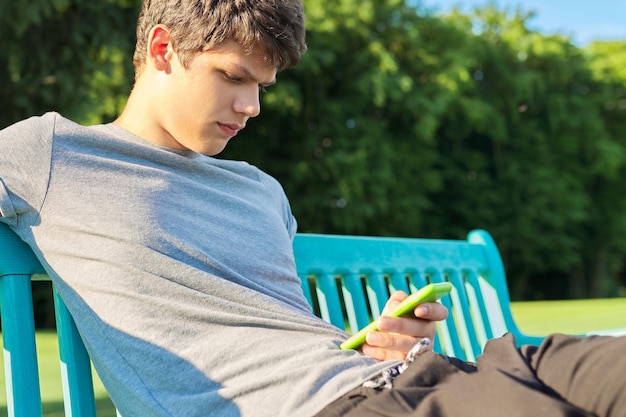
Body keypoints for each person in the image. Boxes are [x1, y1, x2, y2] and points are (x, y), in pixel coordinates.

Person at [0, 1, 623, 416]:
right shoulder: (51, 153)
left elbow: (282, 327)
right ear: (163, 49)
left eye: (261, 88)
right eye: (233, 77)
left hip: (401, 378)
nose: (252, 107)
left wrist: (377, 341)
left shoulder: (260, 188)